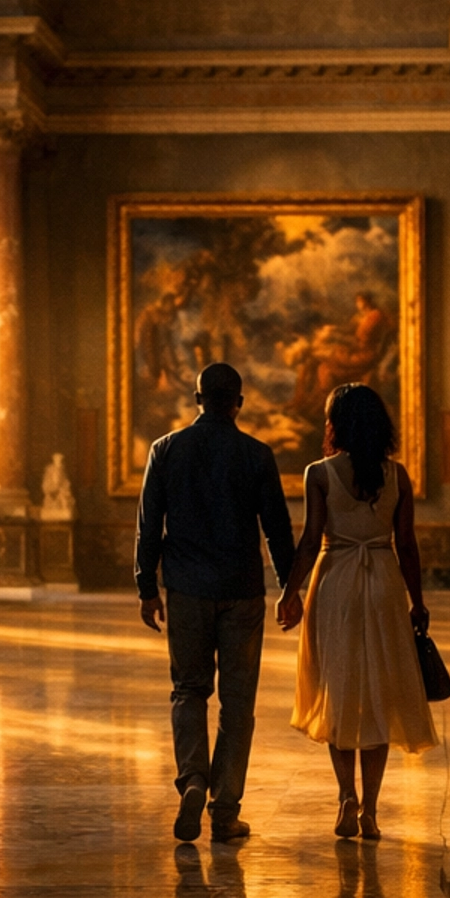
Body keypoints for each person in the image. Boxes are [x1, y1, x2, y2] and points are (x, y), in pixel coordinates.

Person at [136, 361, 297, 844]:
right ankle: (224, 810)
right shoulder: (256, 455)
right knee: (237, 702)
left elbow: (149, 524)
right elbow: (276, 529)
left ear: (197, 398)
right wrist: (290, 588)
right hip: (242, 591)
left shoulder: (166, 450)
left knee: (188, 689)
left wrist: (147, 587)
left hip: (185, 589)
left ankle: (193, 779)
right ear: (238, 404)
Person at [277, 382, 435, 839]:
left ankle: (345, 795)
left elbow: (309, 541)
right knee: (380, 694)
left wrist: (291, 591)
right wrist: (418, 600)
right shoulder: (398, 475)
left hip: (336, 583)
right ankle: (370, 809)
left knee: (338, 688)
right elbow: (407, 545)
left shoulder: (319, 474)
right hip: (383, 582)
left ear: (335, 424)